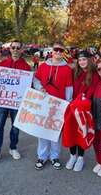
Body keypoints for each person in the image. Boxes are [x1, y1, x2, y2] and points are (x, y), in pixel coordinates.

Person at [0, 40, 31, 166]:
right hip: (2, 101)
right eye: (13, 48)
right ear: (10, 49)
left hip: (17, 103)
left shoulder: (26, 67)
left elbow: (30, 85)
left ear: (21, 50)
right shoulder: (2, 65)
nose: (16, 50)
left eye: (18, 47)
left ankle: (13, 148)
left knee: (16, 127)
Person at [33, 42, 73, 170]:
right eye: (56, 50)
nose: (58, 52)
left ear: (63, 53)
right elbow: (36, 79)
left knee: (56, 132)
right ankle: (42, 156)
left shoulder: (67, 69)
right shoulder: (43, 66)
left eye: (61, 50)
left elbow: (69, 87)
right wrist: (40, 88)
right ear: (52, 51)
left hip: (59, 104)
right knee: (43, 130)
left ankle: (54, 156)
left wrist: (67, 102)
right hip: (44, 103)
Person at [62, 50, 99, 172]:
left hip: (84, 108)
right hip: (72, 107)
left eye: (84, 59)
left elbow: (91, 93)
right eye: (80, 60)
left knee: (81, 133)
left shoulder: (94, 74)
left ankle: (80, 158)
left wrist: (81, 103)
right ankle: (72, 156)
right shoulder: (75, 72)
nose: (82, 62)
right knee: (71, 131)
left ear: (89, 60)